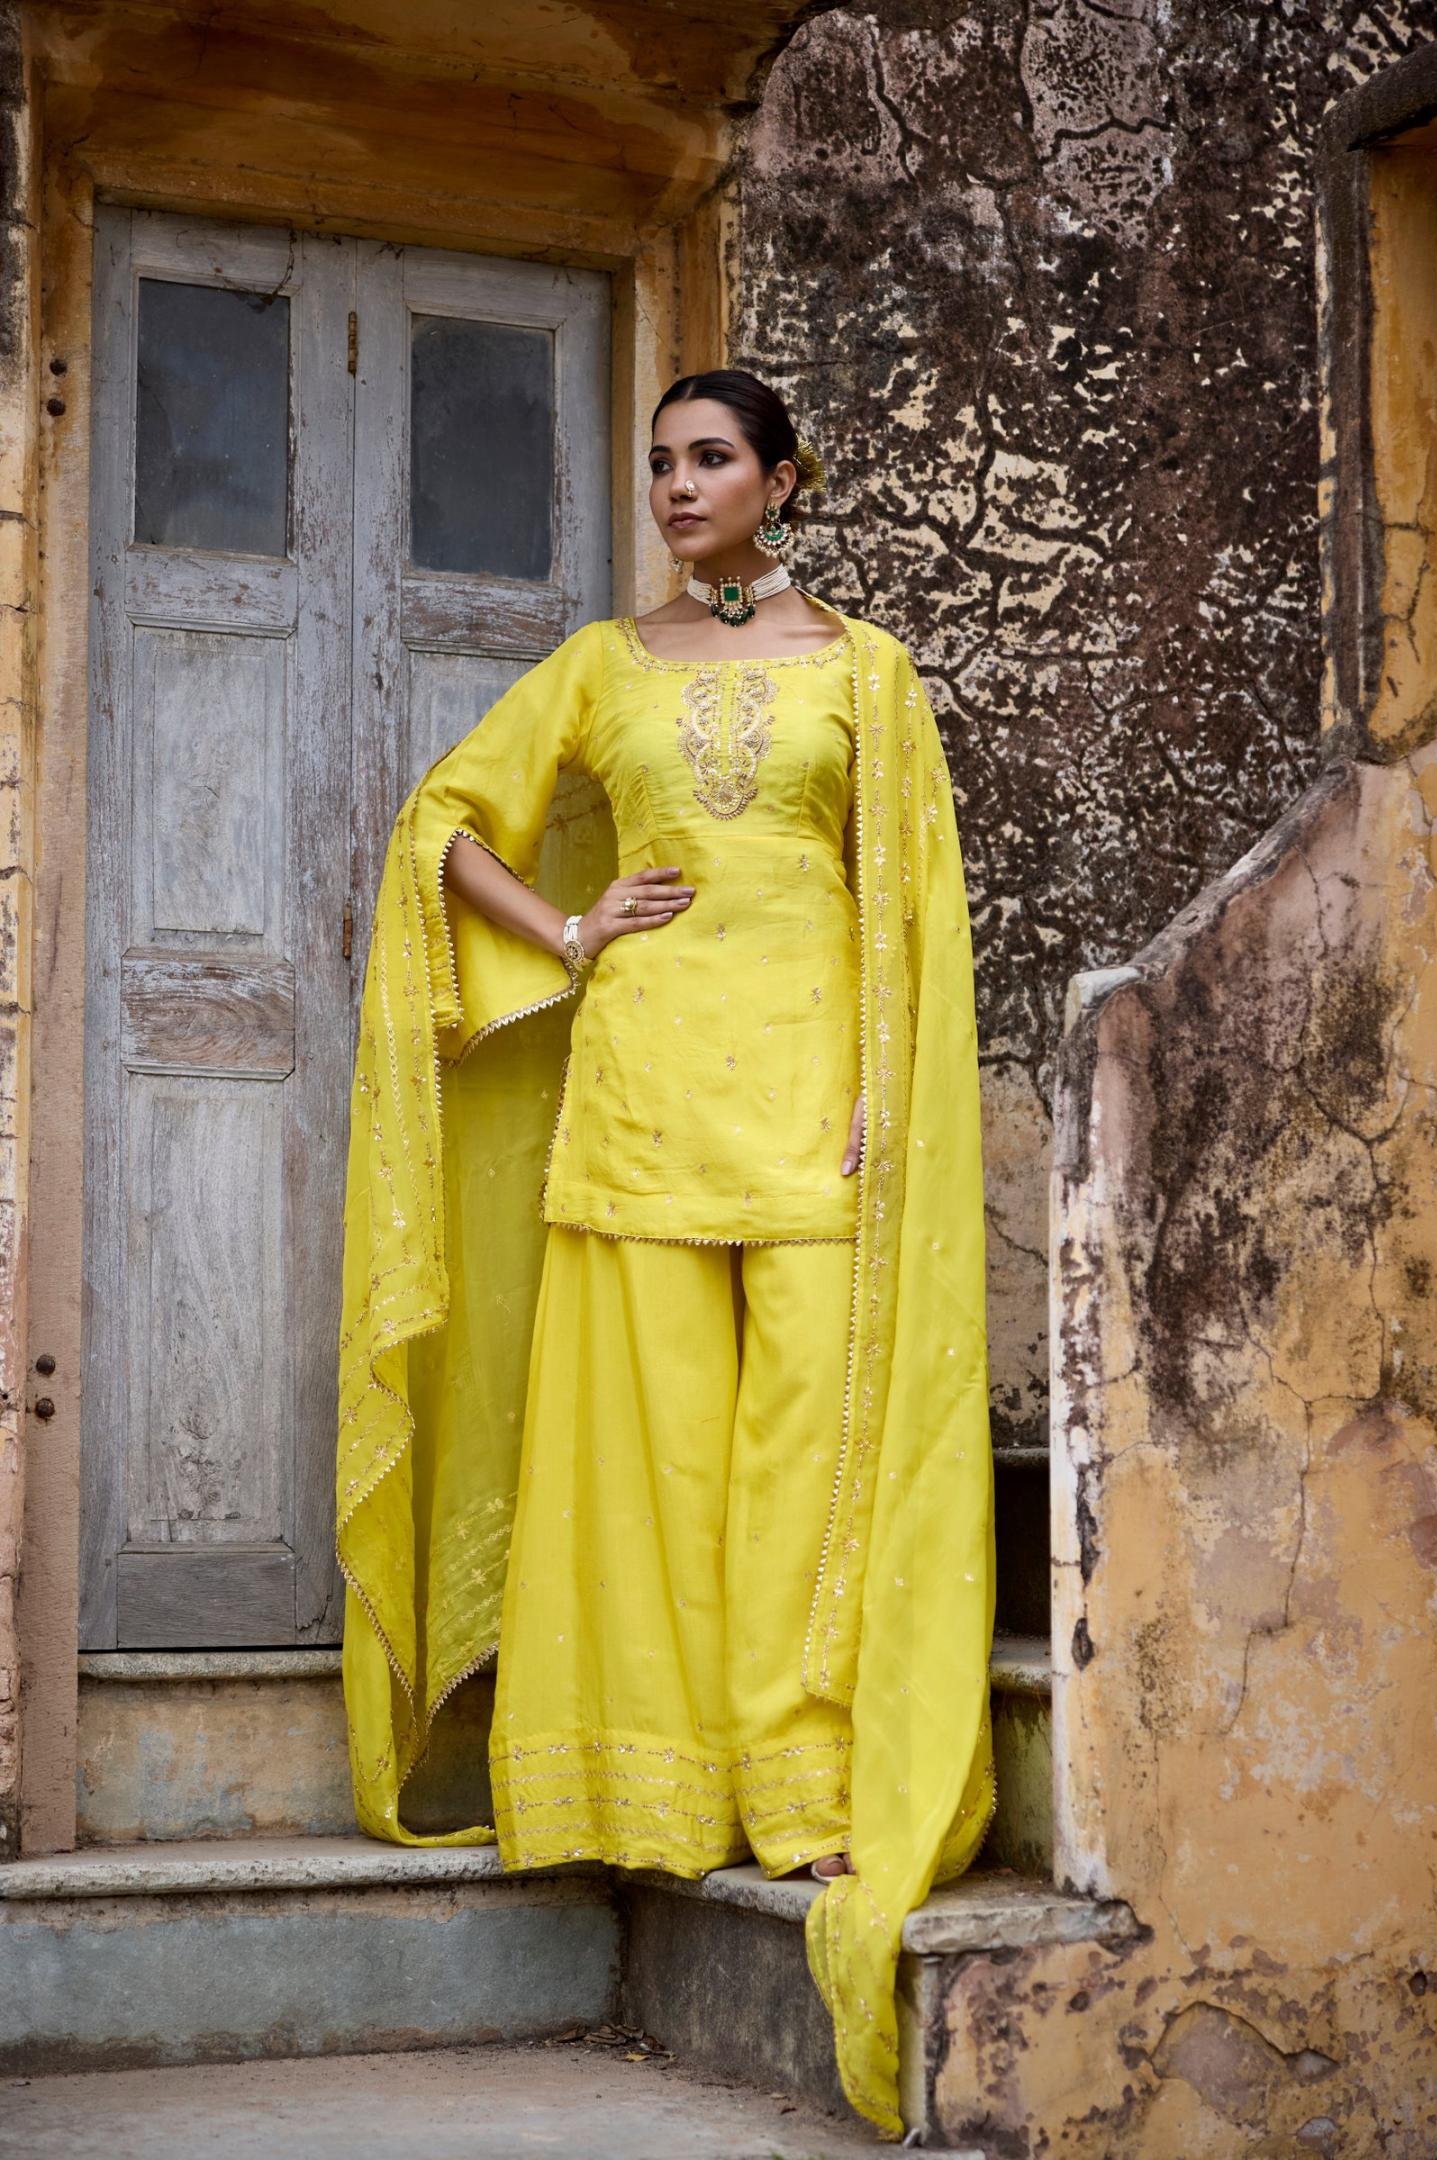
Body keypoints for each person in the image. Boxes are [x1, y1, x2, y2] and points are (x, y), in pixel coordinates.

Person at [336, 367, 996, 2142]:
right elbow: (441, 825)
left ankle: (804, 1787)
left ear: (783, 479)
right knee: (654, 1458)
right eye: (659, 462)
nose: (678, 485)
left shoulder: (864, 673)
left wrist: (885, 1092)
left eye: (711, 458)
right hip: (638, 1095)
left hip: (814, 1104)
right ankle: (651, 1793)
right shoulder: (601, 668)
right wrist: (569, 926)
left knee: (799, 1449)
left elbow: (904, 903)